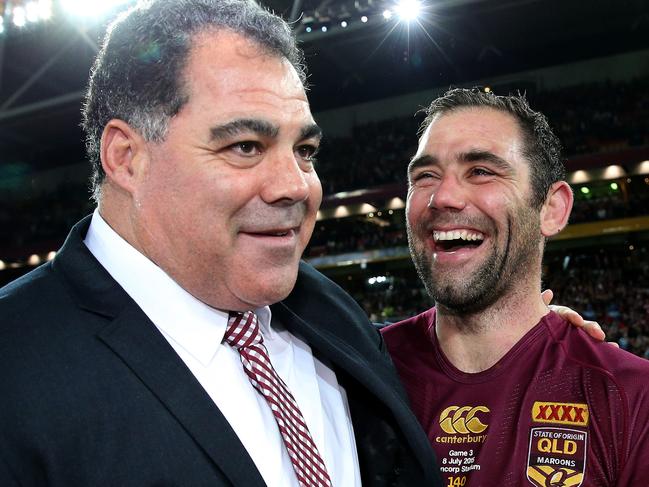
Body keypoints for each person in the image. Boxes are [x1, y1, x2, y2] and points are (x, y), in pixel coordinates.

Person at [0, 1, 442, 485]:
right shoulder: (16, 362)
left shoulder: (331, 313)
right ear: (126, 158)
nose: (295, 186)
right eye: (245, 147)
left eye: (305, 151)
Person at [381, 88, 649, 486]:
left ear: (551, 208)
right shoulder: (357, 374)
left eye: (481, 171)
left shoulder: (629, 396)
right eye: (425, 176)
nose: (443, 197)